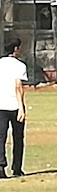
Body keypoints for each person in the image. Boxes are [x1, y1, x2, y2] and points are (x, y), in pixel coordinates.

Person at [0, 38, 29, 178]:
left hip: (0, 106)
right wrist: (22, 108)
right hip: (14, 106)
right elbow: (18, 87)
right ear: (16, 48)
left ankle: (1, 168)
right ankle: (17, 168)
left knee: (1, 137)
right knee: (18, 138)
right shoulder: (20, 66)